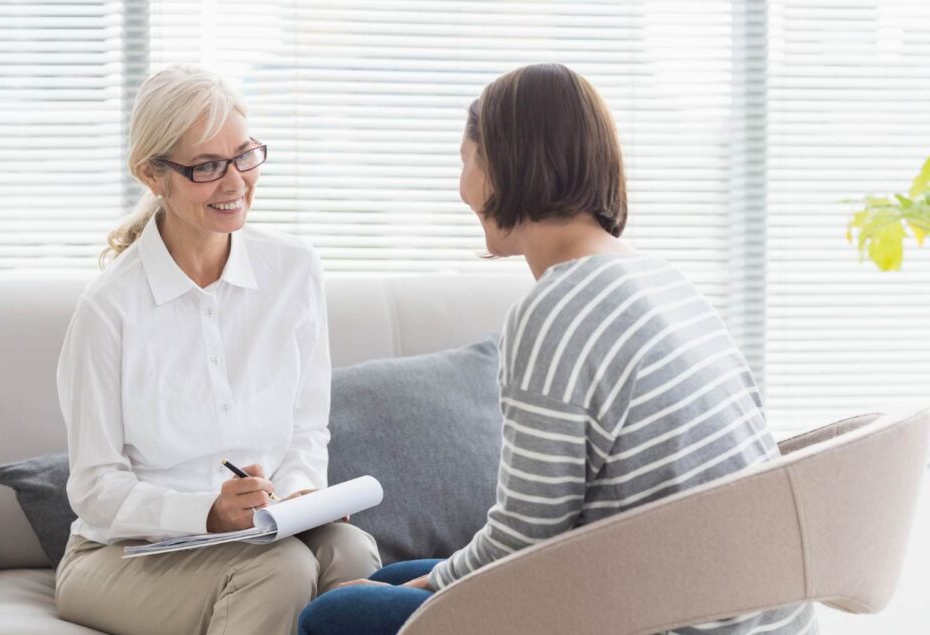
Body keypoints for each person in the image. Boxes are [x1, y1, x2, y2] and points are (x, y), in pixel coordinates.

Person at [298, 63, 817, 635]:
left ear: (505, 164)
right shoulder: (664, 280)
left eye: (465, 159)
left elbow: (525, 540)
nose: (461, 186)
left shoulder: (556, 312)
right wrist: (422, 582)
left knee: (333, 616)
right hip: (758, 611)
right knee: (398, 578)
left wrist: (428, 587)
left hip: (668, 618)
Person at [54, 65, 381, 635]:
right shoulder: (110, 307)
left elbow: (307, 428)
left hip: (264, 533)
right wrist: (206, 512)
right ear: (152, 175)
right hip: (122, 556)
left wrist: (303, 493)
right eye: (206, 166)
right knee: (279, 570)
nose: (235, 183)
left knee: (349, 551)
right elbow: (94, 487)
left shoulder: (294, 270)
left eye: (244, 155)